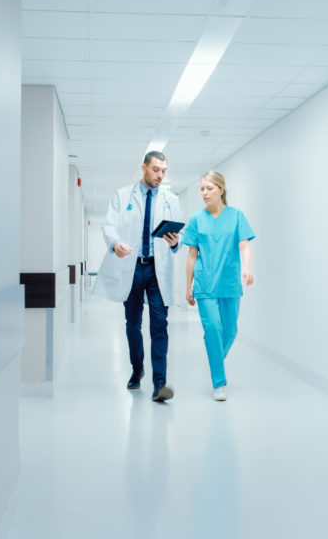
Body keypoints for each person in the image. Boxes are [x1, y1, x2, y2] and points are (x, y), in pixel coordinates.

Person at [94, 151, 183, 402]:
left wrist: (176, 242)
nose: (160, 175)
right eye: (156, 169)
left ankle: (159, 384)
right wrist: (115, 244)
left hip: (158, 270)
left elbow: (179, 236)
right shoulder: (123, 196)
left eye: (164, 171)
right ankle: (137, 369)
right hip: (132, 267)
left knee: (159, 326)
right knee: (132, 324)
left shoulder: (171, 199)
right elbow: (109, 226)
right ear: (143, 167)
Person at [183, 171, 254, 401]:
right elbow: (192, 255)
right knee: (213, 329)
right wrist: (188, 286)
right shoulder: (196, 219)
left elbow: (244, 245)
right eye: (202, 189)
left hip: (230, 283)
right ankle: (219, 383)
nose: (204, 193)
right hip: (205, 283)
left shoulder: (236, 216)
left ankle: (215, 360)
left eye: (209, 188)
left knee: (230, 330)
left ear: (221, 190)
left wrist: (247, 267)